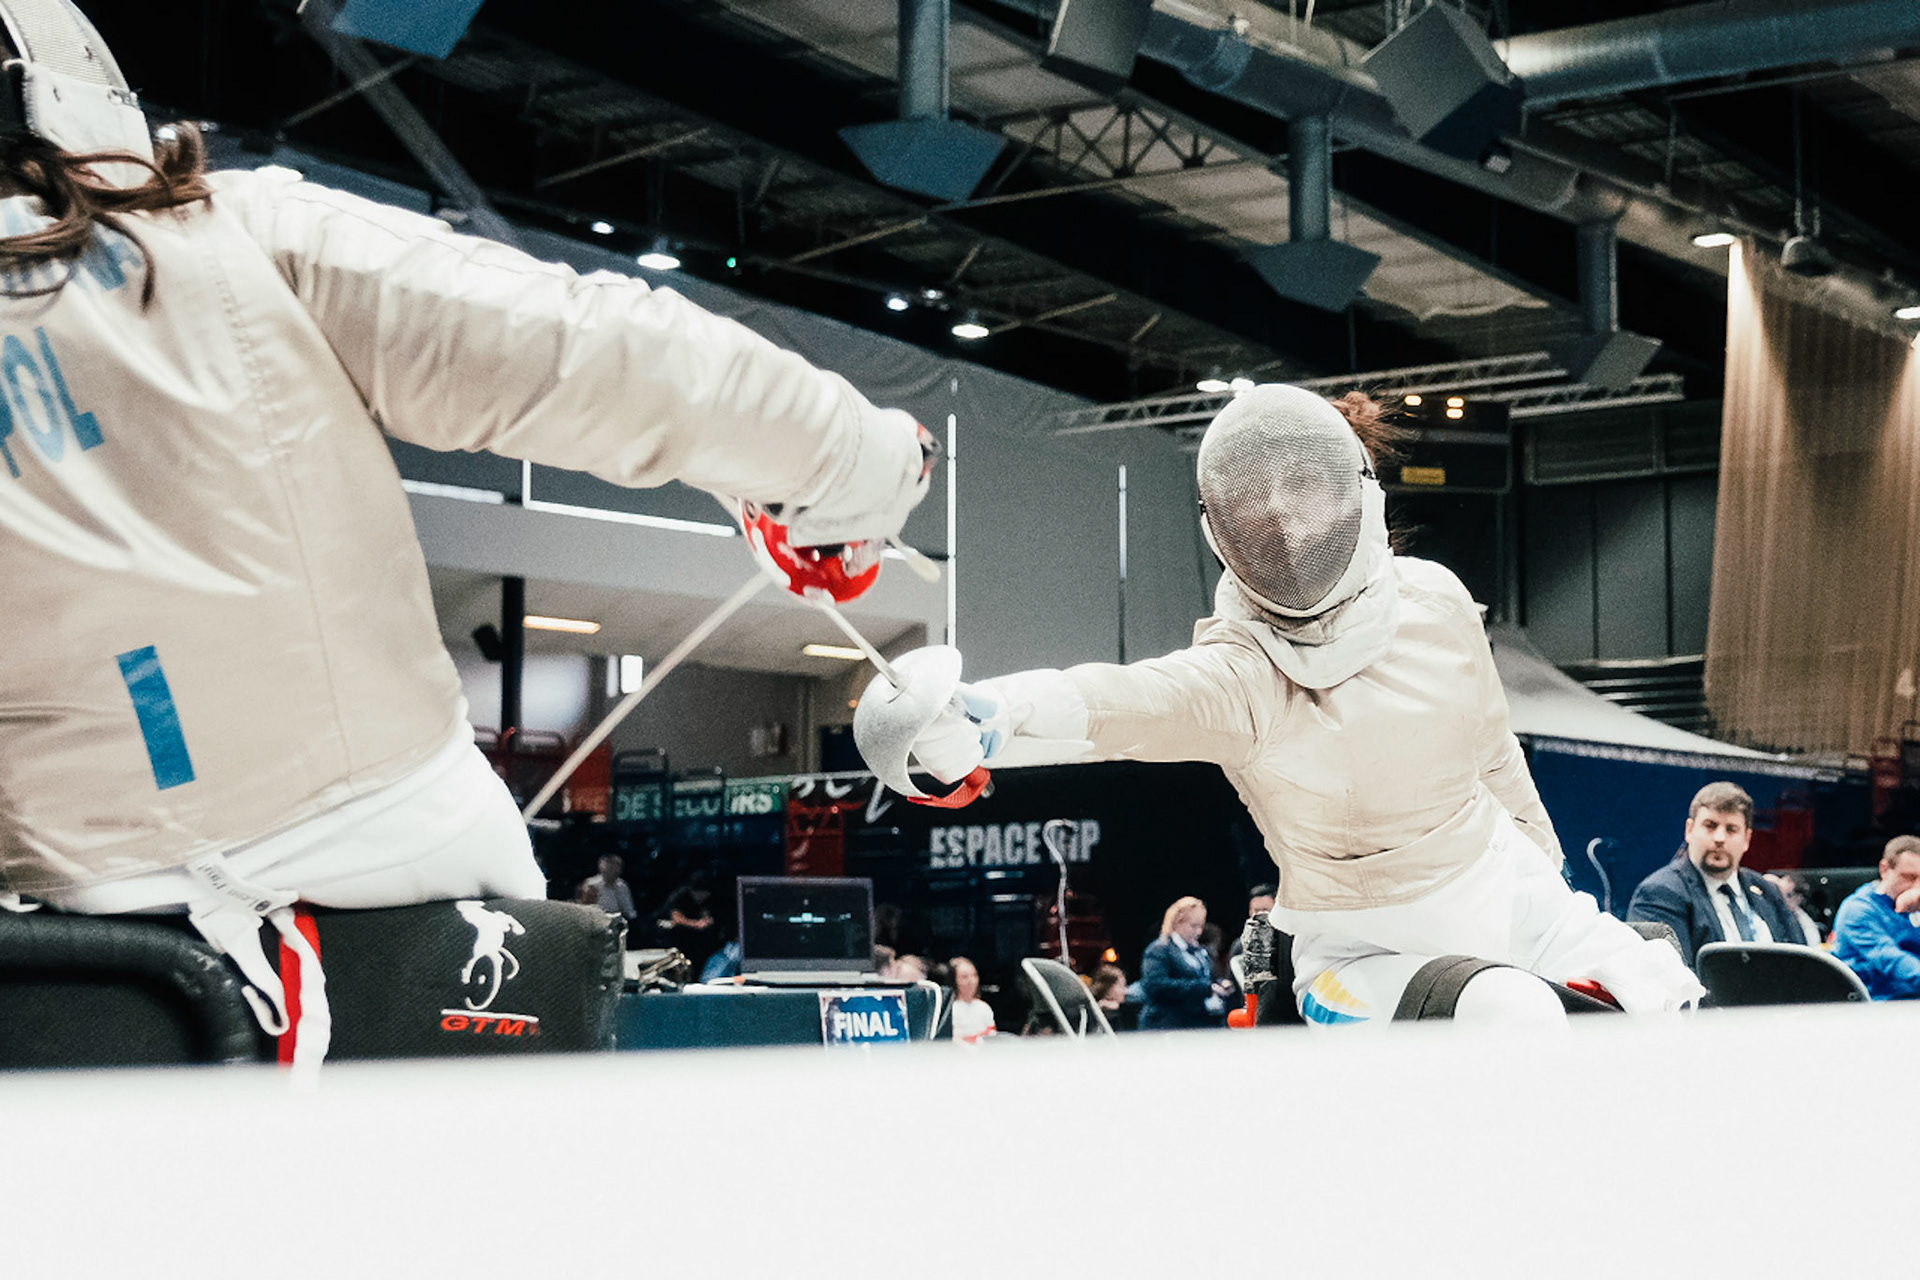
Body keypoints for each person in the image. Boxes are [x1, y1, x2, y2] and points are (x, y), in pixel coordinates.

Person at [0, 3, 935, 1064]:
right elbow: (595, 351)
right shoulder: (231, 243)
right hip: (390, 906)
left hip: (68, 976)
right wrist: (858, 463)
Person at [868, 384, 1702, 1027]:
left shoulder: (1438, 601)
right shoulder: (1240, 678)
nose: (1282, 521)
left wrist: (1546, 876)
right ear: (1224, 526)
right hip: (1365, 951)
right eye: (1258, 507)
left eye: (1299, 493)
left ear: (1354, 491)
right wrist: (983, 715)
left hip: (1506, 888)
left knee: (1669, 1000)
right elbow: (1117, 702)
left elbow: (1493, 755)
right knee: (1512, 1017)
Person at [1626, 782, 1811, 969]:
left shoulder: (1767, 891)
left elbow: (1804, 964)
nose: (1720, 838)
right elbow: (1671, 981)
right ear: (1689, 830)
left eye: (1731, 829)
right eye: (1710, 826)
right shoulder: (1659, 894)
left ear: (1747, 839)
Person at [1830, 835, 1920, 1000]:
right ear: (1884, 869)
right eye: (1910, 877)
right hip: (1874, 1009)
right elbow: (1891, 961)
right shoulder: (1858, 910)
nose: (1917, 887)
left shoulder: (1915, 905)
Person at [1138, 897, 1233, 1030]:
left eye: (1201, 926)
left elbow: (1208, 978)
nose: (1199, 931)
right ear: (1177, 923)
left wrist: (1220, 983)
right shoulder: (1159, 950)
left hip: (1196, 1024)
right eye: (1193, 926)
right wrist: (1205, 988)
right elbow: (1154, 986)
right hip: (1166, 1025)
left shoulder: (1200, 951)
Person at [948, 955, 995, 1044]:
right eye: (964, 977)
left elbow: (992, 1035)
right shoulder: (950, 1010)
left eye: (974, 975)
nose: (971, 981)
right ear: (954, 980)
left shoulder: (984, 1007)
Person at [575, 855, 637, 922]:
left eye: (616, 868)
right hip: (597, 921)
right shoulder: (591, 885)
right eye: (609, 868)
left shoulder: (622, 886)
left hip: (618, 922)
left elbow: (628, 909)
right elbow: (584, 909)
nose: (612, 872)